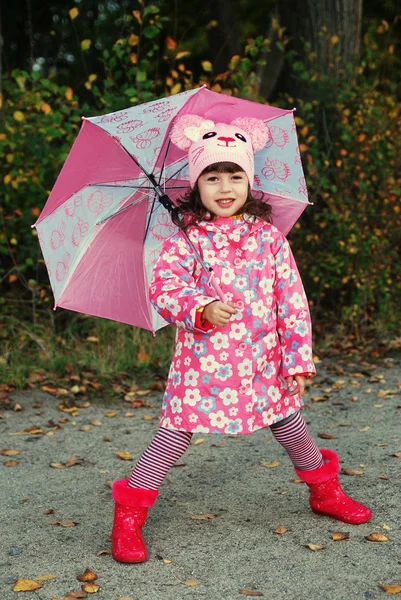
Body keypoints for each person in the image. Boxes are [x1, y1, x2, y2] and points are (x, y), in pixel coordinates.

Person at [111, 115, 372, 563]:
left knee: (290, 424)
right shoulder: (185, 241)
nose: (225, 187)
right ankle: (128, 515)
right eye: (212, 177)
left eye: (235, 175)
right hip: (202, 366)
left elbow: (291, 299)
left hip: (262, 361)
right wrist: (201, 307)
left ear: (250, 181)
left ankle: (325, 492)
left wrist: (297, 359)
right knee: (173, 435)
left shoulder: (268, 238)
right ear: (197, 186)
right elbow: (165, 290)